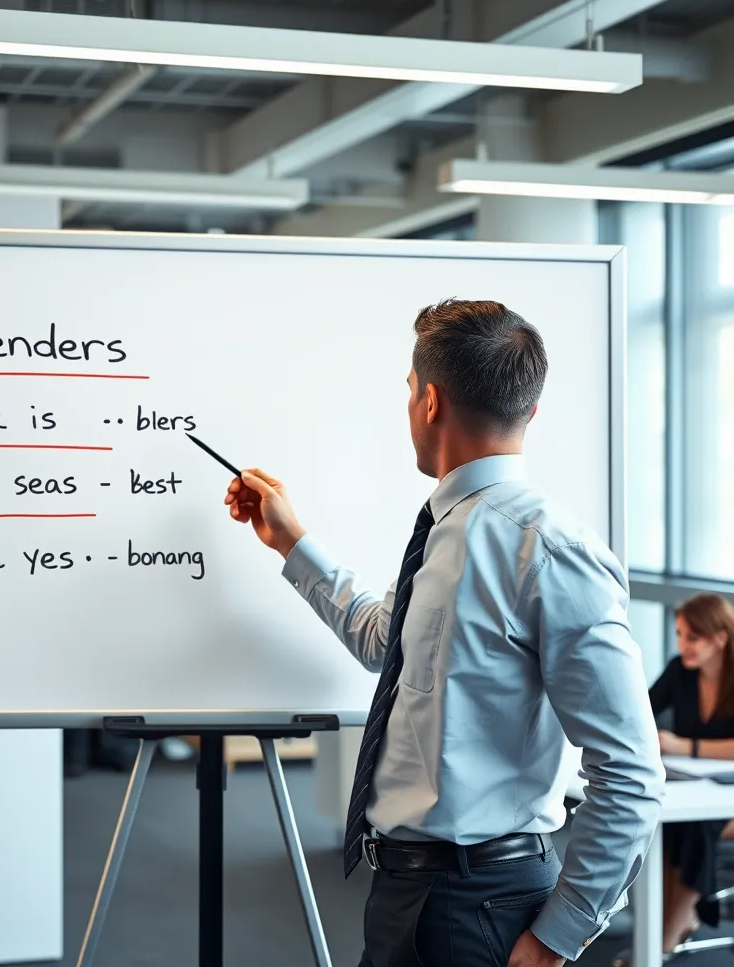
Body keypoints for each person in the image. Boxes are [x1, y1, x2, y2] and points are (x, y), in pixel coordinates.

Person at [223, 299, 664, 967]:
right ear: (530, 411)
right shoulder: (446, 532)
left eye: (407, 392)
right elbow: (384, 642)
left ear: (430, 402)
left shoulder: (546, 548)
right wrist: (290, 539)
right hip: (407, 893)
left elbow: (631, 770)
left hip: (481, 904)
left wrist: (556, 939)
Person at [649, 593, 734, 951]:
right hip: (697, 785)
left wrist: (685, 746)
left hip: (727, 800)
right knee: (668, 820)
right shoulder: (679, 671)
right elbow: (640, 712)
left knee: (695, 823)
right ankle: (666, 926)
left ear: (720, 638)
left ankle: (664, 939)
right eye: (680, 634)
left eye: (692, 637)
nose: (683, 645)